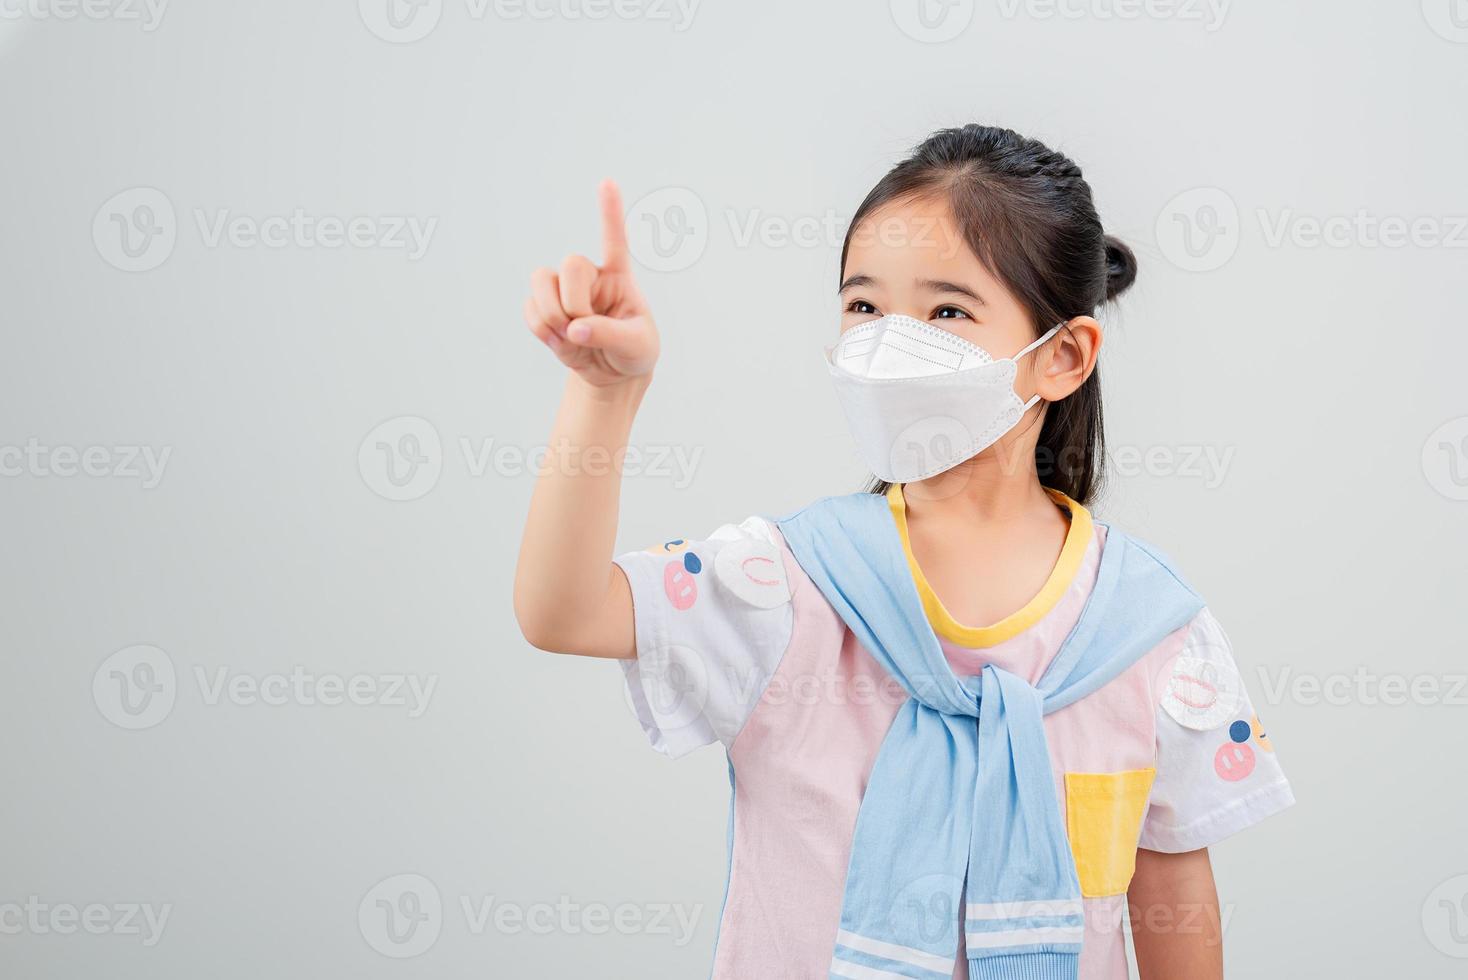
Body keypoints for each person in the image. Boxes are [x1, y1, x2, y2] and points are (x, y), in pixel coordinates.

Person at [514, 124, 1293, 980]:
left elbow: (1174, 903)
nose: (890, 342)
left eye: (947, 311)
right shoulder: (788, 585)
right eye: (863, 307)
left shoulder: (1149, 630)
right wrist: (606, 394)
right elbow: (562, 611)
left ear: (1063, 357)